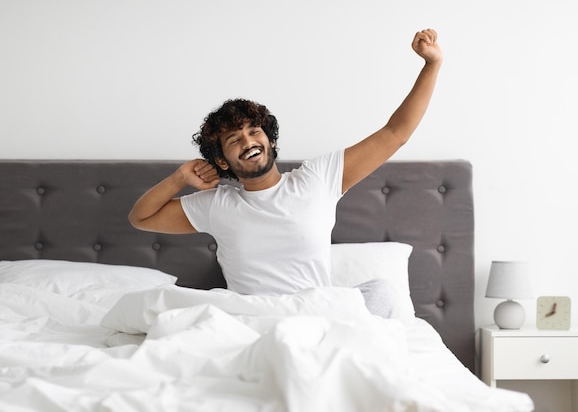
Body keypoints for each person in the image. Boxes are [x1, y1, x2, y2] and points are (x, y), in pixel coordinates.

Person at [128, 29, 442, 317]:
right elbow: (141, 218)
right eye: (234, 140)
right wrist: (180, 178)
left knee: (384, 292)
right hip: (257, 320)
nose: (248, 141)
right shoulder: (216, 204)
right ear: (222, 161)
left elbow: (395, 133)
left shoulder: (317, 179)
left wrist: (432, 65)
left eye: (254, 132)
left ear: (270, 140)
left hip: (317, 316)